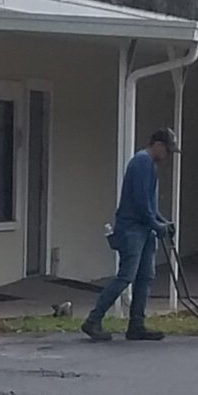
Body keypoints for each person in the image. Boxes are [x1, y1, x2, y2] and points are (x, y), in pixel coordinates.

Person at [81, 128, 179, 341]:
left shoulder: (148, 165)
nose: (168, 156)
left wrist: (162, 222)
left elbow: (150, 206)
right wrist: (157, 225)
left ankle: (137, 324)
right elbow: (141, 203)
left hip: (144, 228)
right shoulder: (141, 163)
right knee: (127, 275)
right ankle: (93, 320)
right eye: (168, 151)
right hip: (132, 228)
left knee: (145, 277)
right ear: (158, 145)